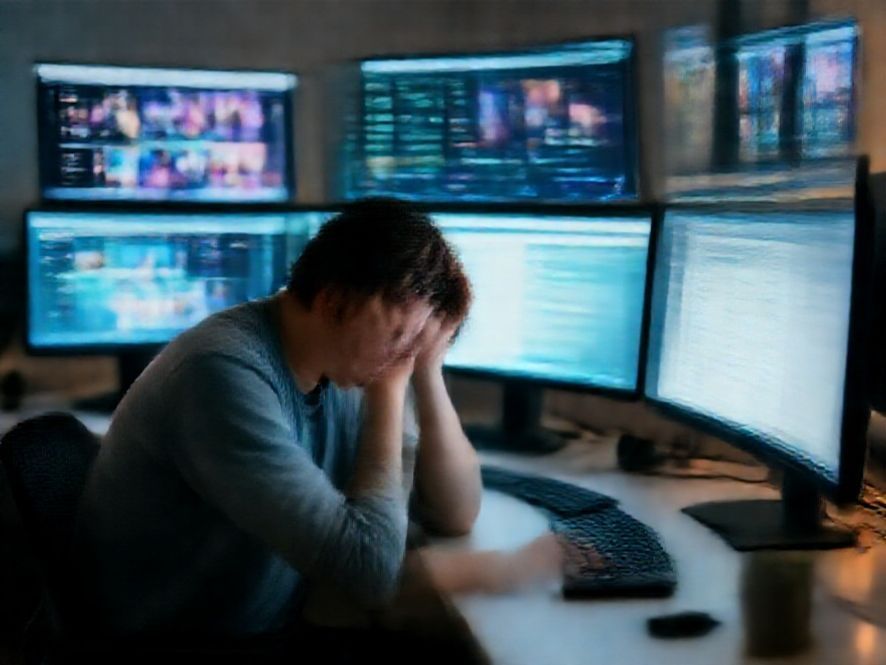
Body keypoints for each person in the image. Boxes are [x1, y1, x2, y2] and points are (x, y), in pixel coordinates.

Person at [74, 198, 484, 641]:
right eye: (399, 336)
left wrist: (427, 368)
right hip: (177, 644)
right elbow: (369, 575)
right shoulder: (221, 374)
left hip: (267, 623)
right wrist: (390, 387)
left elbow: (455, 513)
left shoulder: (342, 362)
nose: (403, 355)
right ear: (334, 303)